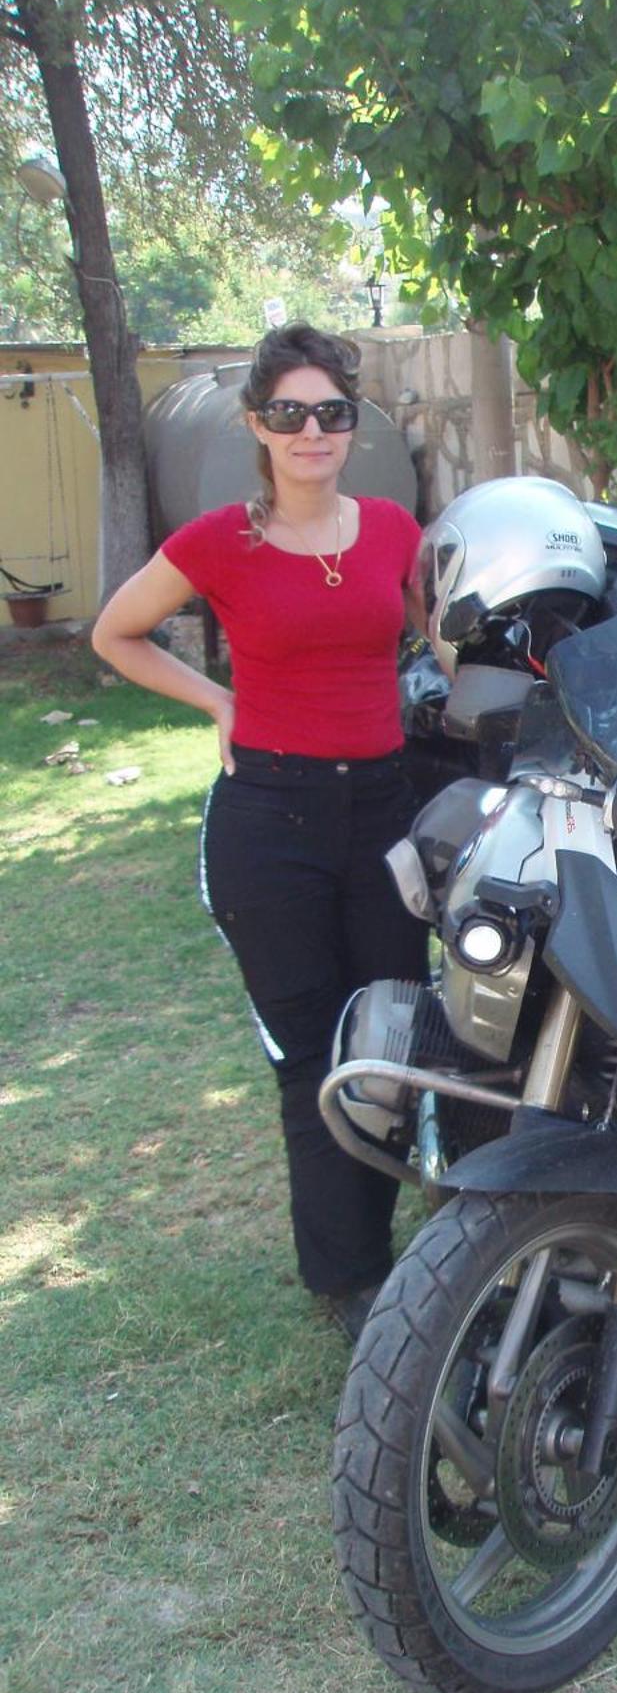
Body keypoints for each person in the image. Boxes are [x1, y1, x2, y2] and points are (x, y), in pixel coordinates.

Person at [92, 322, 431, 1341]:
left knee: (392, 1038)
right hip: (269, 822)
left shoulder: (391, 531)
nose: (312, 431)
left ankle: (421, 1243)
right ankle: (351, 1278)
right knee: (307, 1053)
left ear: (352, 421)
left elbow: (431, 643)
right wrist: (218, 702)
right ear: (257, 425)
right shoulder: (217, 542)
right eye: (289, 413)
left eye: (331, 412)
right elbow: (118, 630)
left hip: (383, 811)